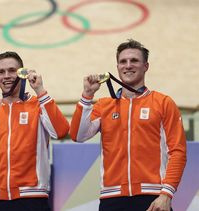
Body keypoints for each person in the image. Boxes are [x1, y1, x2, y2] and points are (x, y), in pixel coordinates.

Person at [70, 39, 187, 211]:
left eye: (134, 61)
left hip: (153, 197)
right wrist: (87, 95)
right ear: (117, 67)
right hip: (112, 198)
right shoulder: (104, 105)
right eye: (123, 61)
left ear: (146, 66)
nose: (128, 65)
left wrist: (166, 194)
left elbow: (177, 152)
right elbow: (78, 136)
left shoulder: (163, 103)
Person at [0, 51, 69, 211]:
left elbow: (61, 131)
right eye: (1, 72)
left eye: (12, 70)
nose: (6, 76)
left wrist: (40, 90)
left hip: (33, 199)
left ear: (22, 73)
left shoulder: (38, 106)